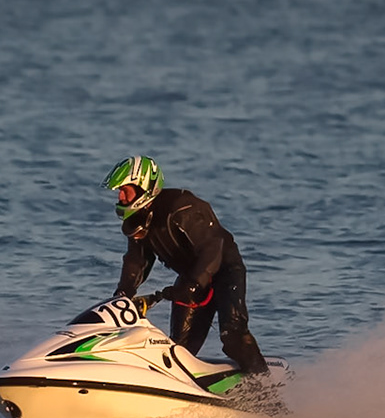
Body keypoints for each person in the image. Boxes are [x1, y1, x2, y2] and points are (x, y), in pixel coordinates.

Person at [104, 156, 270, 375]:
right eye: (119, 191)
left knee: (233, 335)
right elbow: (137, 260)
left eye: (125, 190)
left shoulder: (181, 207)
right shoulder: (139, 220)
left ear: (144, 187)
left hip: (224, 271)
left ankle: (265, 387)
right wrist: (123, 294)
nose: (120, 196)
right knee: (180, 351)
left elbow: (213, 247)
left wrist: (194, 284)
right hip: (191, 278)